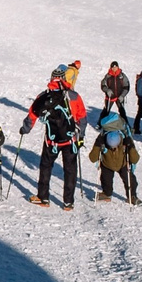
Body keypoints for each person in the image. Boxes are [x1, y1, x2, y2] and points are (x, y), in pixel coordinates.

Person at [21, 68, 87, 209]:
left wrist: (25, 129)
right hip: (70, 140)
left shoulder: (43, 96)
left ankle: (43, 198)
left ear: (51, 79)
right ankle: (68, 202)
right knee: (70, 170)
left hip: (51, 141)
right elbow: (82, 117)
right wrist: (81, 136)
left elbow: (33, 114)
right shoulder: (73, 96)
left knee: (46, 167)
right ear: (64, 78)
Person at [89, 108, 141, 206]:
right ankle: (107, 194)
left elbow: (135, 159)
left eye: (115, 146)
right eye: (110, 147)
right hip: (107, 163)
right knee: (106, 180)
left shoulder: (125, 140)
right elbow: (92, 158)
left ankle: (132, 196)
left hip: (123, 163)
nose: (113, 148)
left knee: (130, 180)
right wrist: (97, 145)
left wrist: (130, 146)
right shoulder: (102, 139)